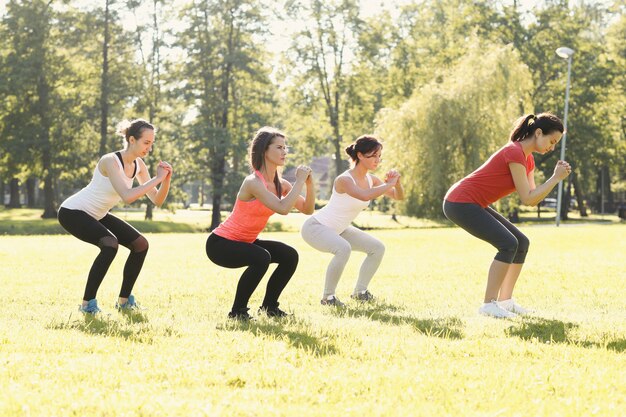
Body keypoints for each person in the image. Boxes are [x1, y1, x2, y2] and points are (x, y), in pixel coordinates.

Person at [443, 113, 571, 318]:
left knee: (521, 242)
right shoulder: (514, 152)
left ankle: (506, 301)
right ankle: (488, 305)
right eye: (551, 141)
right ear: (538, 133)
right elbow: (528, 198)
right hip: (460, 202)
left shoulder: (528, 161)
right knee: (508, 244)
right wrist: (555, 178)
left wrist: (555, 179)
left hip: (473, 202)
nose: (552, 147)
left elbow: (532, 199)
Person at [58, 119, 172, 314]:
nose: (149, 148)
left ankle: (124, 301)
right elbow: (127, 197)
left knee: (141, 245)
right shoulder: (110, 161)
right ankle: (87, 305)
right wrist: (157, 178)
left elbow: (157, 200)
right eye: (146, 143)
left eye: (152, 143)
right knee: (110, 244)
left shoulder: (139, 165)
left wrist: (166, 180)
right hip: (73, 212)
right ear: (132, 139)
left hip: (99, 214)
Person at [206, 126, 315, 320]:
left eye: (285, 147)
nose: (285, 151)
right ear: (265, 150)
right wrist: (298, 182)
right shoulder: (253, 182)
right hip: (220, 244)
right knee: (261, 257)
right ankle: (237, 311)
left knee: (289, 255)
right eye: (279, 147)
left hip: (246, 242)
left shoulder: (282, 185)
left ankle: (270, 307)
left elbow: (307, 209)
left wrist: (308, 184)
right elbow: (283, 208)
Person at [301, 135, 404, 307]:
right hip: (316, 227)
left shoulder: (371, 179)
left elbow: (398, 196)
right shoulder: (344, 179)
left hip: (339, 229)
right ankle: (328, 297)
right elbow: (363, 195)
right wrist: (388, 184)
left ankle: (360, 292)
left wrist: (397, 183)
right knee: (343, 248)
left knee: (377, 248)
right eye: (373, 155)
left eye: (379, 156)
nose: (377, 160)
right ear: (361, 156)